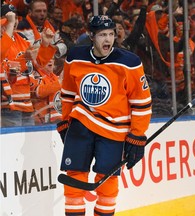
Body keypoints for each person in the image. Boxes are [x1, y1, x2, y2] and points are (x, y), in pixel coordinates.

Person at [57, 15, 152, 216]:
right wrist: (66, 121)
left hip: (114, 130)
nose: (108, 39)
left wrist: (137, 135)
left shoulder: (129, 62)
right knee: (74, 179)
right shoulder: (75, 57)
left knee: (107, 181)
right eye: (102, 35)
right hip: (81, 124)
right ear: (91, 36)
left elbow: (141, 102)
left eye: (110, 34)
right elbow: (67, 94)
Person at [0, 4, 56, 127]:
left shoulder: (22, 40)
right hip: (8, 106)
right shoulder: (2, 40)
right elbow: (1, 55)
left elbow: (39, 64)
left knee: (28, 144)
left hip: (27, 105)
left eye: (15, 18)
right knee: (13, 144)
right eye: (9, 18)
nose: (13, 22)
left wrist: (45, 45)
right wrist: (24, 59)